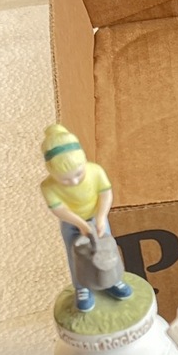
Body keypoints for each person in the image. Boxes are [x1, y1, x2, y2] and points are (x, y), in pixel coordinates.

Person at [40, 124, 132, 312]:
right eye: (65, 179)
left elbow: (105, 195)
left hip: (96, 218)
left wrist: (100, 217)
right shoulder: (48, 186)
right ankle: (82, 287)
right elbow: (60, 209)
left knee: (107, 249)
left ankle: (112, 280)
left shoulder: (95, 171)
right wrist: (80, 224)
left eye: (78, 174)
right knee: (76, 255)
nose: (74, 181)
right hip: (72, 223)